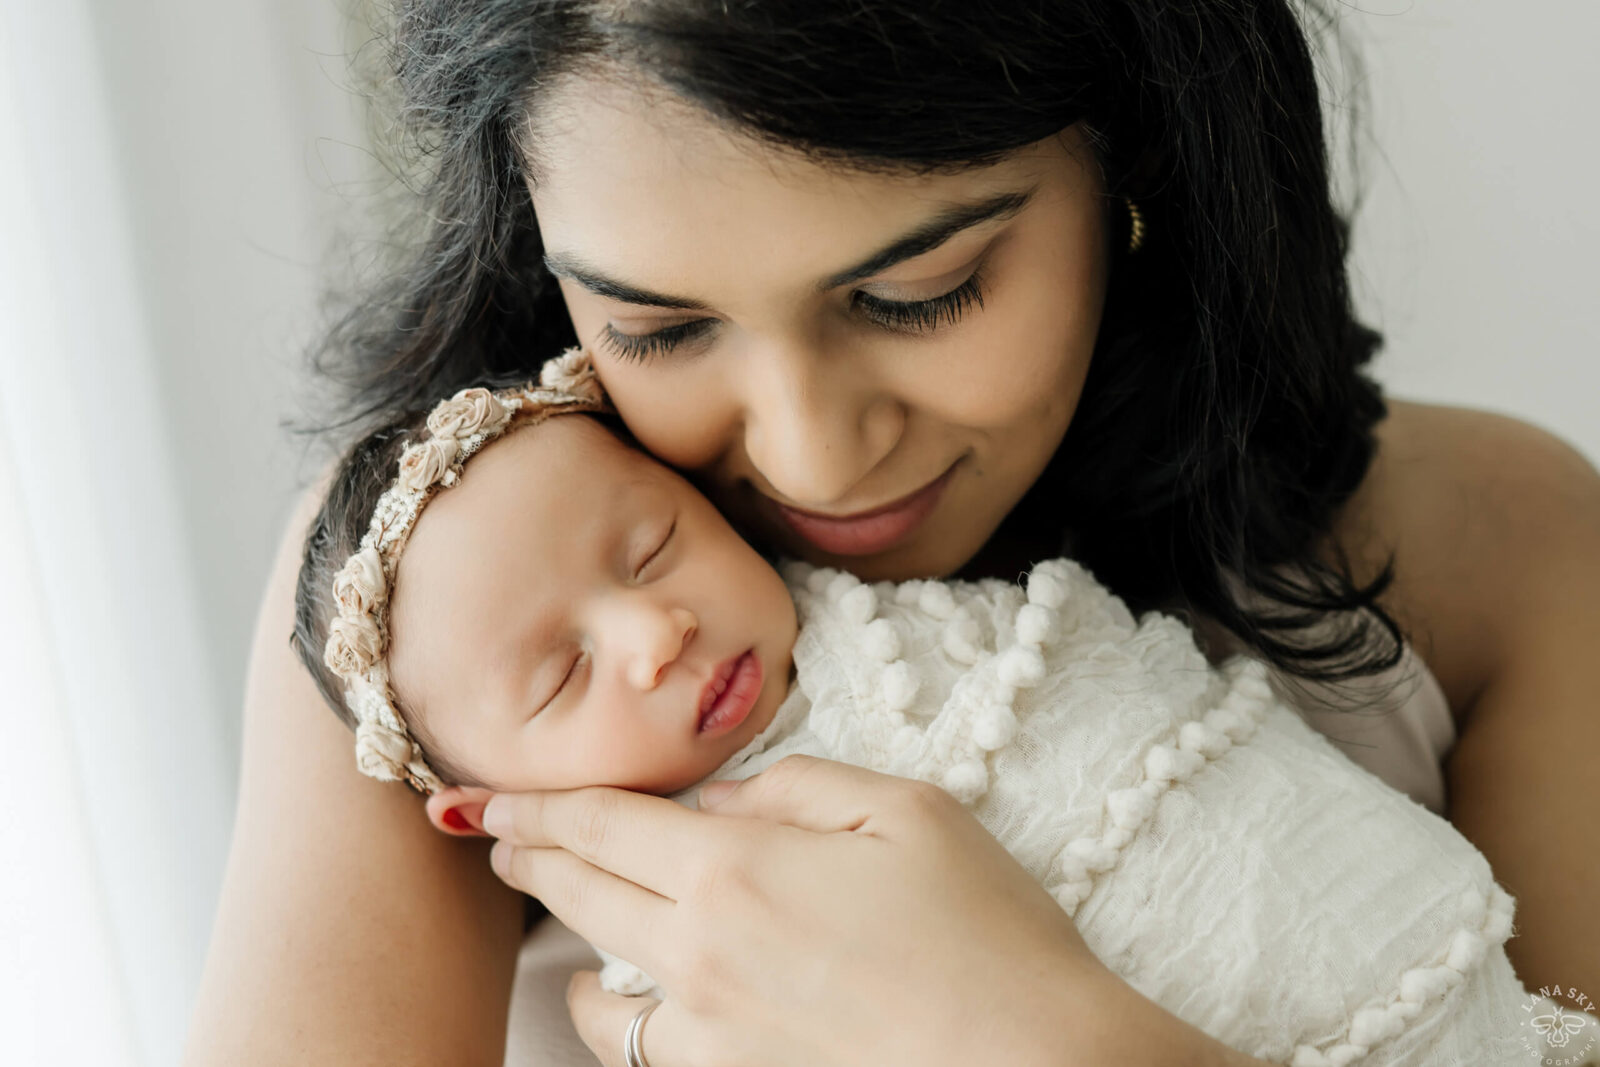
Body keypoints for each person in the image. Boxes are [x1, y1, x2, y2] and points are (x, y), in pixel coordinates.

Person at [183, 2, 1600, 1066]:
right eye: (656, 325)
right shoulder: (428, 603)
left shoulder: (1498, 544)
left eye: (920, 291)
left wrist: (1049, 1038)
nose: (808, 452)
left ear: (1137, 164)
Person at [291, 356, 1544, 1065]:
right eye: (561, 676)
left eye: (654, 546)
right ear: (472, 804)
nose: (653, 629)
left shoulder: (941, 635)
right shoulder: (391, 627)